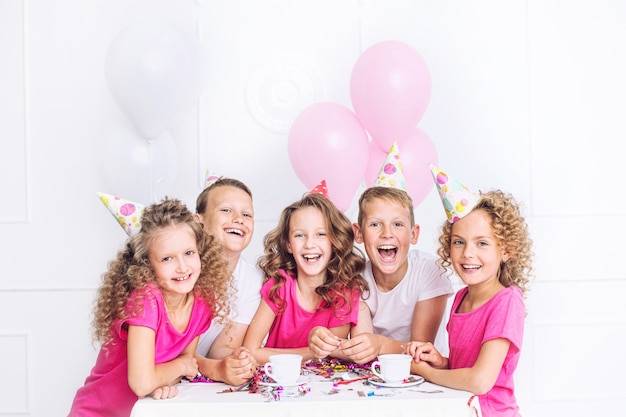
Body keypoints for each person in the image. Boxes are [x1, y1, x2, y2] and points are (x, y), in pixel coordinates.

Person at [68, 197, 232, 417]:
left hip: (142, 411)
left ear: (200, 251)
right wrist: (174, 371)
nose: (182, 267)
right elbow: (145, 381)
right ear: (147, 264)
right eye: (167, 259)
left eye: (189, 253)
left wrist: (164, 378)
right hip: (97, 412)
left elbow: (185, 363)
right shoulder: (145, 301)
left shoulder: (202, 302)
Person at [308, 143, 454, 364]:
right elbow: (360, 350)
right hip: (374, 375)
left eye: (397, 224)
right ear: (358, 234)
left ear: (414, 234)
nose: (387, 233)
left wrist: (379, 344)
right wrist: (323, 340)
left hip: (425, 374)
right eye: (375, 225)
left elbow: (421, 349)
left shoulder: (429, 272)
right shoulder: (354, 278)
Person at [406, 165, 533, 417]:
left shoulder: (506, 302)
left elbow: (480, 381)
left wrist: (424, 371)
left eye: (482, 243)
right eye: (458, 242)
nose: (467, 254)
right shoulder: (460, 298)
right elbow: (464, 369)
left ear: (505, 251)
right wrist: (441, 363)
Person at [243, 191, 368, 364]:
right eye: (299, 235)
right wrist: (311, 351)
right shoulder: (279, 286)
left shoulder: (344, 294)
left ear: (334, 241)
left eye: (321, 234)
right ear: (288, 244)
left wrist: (322, 351)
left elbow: (329, 352)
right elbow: (251, 351)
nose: (309, 244)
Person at [193, 175, 262, 385]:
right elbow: (165, 351)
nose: (238, 219)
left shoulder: (252, 279)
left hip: (189, 382)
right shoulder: (181, 270)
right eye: (225, 210)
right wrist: (214, 369)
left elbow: (220, 350)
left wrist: (235, 360)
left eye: (246, 214)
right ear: (199, 221)